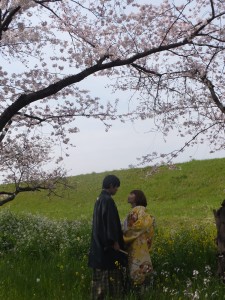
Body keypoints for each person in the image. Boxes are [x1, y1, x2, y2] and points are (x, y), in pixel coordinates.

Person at [88, 175, 127, 300]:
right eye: (116, 187)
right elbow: (110, 223)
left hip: (97, 246)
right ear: (111, 186)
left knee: (98, 282)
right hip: (107, 248)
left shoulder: (99, 199)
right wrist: (114, 241)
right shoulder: (108, 200)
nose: (117, 190)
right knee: (110, 281)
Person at [123, 190, 155, 293]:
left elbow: (130, 229)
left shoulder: (135, 211)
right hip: (144, 248)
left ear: (137, 198)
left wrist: (121, 236)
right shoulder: (145, 211)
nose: (129, 195)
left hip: (136, 248)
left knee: (136, 272)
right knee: (144, 270)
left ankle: (136, 293)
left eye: (132, 194)